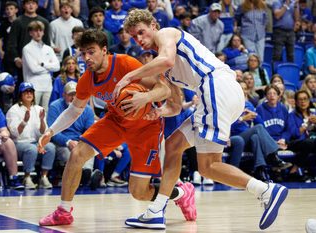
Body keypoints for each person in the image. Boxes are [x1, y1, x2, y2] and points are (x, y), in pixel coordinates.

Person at [113, 9, 288, 230]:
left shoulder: (167, 33)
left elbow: (166, 59)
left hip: (215, 85)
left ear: (153, 26)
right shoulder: (164, 71)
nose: (139, 40)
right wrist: (157, 112)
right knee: (174, 144)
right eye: (134, 36)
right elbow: (175, 106)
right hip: (222, 94)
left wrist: (130, 75)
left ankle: (266, 190)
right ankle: (157, 210)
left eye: (141, 32)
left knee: (208, 167)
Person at [37, 29, 194, 226]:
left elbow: (164, 89)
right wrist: (51, 131)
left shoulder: (125, 63)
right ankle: (63, 211)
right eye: (84, 53)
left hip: (145, 125)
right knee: (77, 154)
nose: (87, 57)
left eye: (91, 51)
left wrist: (144, 97)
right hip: (115, 121)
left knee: (139, 192)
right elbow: (74, 110)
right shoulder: (87, 78)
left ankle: (180, 193)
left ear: (104, 50)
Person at [6, 82, 56, 189]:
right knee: (31, 149)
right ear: (20, 94)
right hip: (19, 143)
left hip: (35, 142)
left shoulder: (39, 109)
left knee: (51, 147)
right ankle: (27, 177)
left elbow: (43, 132)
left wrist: (42, 120)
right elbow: (14, 134)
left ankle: (44, 177)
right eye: (26, 92)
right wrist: (24, 121)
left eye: (31, 91)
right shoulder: (13, 110)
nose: (29, 94)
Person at [47, 81, 96, 186]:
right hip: (61, 142)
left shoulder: (87, 110)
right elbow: (52, 132)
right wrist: (68, 142)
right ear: (63, 95)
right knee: (69, 153)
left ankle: (86, 173)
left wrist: (82, 143)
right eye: (70, 94)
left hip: (80, 141)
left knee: (90, 148)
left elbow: (89, 131)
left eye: (76, 94)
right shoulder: (55, 107)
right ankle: (85, 178)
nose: (73, 97)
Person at [22, 20, 60, 112]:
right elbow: (34, 69)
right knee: (32, 111)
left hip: (47, 86)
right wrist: (49, 67)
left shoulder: (48, 48)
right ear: (31, 33)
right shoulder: (27, 49)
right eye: (35, 31)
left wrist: (43, 64)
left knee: (46, 113)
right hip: (33, 85)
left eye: (40, 30)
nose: (38, 33)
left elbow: (57, 66)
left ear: (43, 32)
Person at [0, 1, 19, 75]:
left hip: (18, 52)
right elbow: (0, 39)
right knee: (8, 73)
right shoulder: (3, 24)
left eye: (11, 9)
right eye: (7, 9)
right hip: (7, 52)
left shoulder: (20, 22)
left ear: (16, 10)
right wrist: (0, 51)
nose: (9, 11)